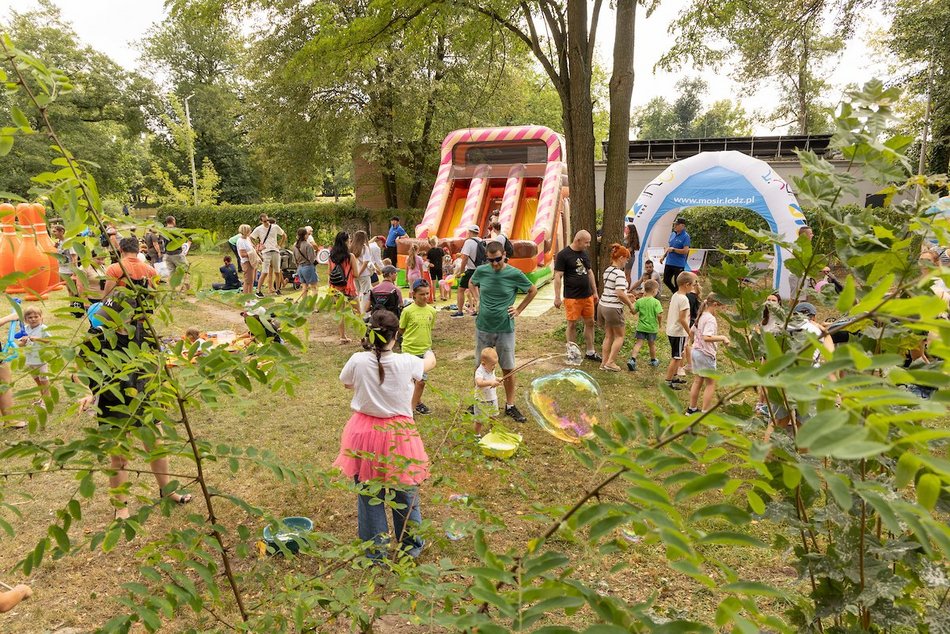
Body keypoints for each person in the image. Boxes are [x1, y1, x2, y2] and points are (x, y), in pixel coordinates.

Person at [76, 295, 192, 520]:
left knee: (156, 447)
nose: (108, 322)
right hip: (114, 403)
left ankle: (168, 492)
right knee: (119, 457)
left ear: (131, 316)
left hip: (144, 398)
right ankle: (121, 507)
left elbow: (156, 361)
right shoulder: (96, 339)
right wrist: (86, 392)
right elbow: (79, 372)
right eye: (106, 317)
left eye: (114, 317)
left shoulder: (144, 331)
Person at [333, 309, 436, 561]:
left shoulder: (358, 359)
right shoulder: (407, 361)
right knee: (406, 491)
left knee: (369, 494)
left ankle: (375, 551)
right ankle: (410, 546)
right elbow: (428, 364)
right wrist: (430, 351)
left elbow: (347, 382)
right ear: (395, 335)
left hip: (364, 432)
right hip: (399, 435)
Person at [470, 241, 538, 422]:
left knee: (508, 367)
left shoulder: (514, 273)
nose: (494, 264)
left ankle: (510, 405)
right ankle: (478, 401)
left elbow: (532, 290)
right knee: (480, 365)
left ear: (504, 256)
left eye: (498, 259)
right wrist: (477, 299)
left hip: (505, 328)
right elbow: (471, 283)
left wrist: (519, 310)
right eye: (490, 260)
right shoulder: (482, 271)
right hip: (483, 326)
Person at [553, 230, 601, 362]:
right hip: (572, 297)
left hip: (587, 296)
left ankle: (590, 351)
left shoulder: (584, 253)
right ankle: (572, 353)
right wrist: (557, 297)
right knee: (572, 324)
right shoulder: (564, 255)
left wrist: (595, 292)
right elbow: (558, 276)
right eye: (586, 242)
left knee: (590, 322)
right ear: (578, 240)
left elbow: (590, 273)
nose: (588, 245)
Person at [686, 294, 729, 414]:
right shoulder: (710, 318)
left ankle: (691, 409)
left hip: (695, 352)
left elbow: (691, 331)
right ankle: (705, 412)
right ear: (715, 305)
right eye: (721, 307)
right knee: (710, 383)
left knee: (697, 381)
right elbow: (706, 337)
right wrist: (723, 337)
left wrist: (693, 342)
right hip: (705, 354)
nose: (721, 310)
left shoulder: (701, 315)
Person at [399, 279, 437, 415]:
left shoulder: (432, 311)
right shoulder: (407, 311)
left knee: (421, 382)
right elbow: (402, 329)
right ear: (413, 294)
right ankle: (408, 403)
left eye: (427, 293)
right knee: (409, 381)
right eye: (422, 294)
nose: (425, 297)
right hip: (409, 350)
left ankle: (413, 407)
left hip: (424, 351)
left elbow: (429, 327)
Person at [597, 244, 636, 371]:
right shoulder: (619, 273)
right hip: (613, 308)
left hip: (603, 305)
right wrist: (630, 304)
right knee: (620, 336)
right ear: (621, 258)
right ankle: (611, 362)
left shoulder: (608, 270)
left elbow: (613, 290)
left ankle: (604, 363)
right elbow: (619, 293)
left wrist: (627, 294)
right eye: (626, 258)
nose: (627, 261)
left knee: (608, 336)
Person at [665, 271, 695, 390]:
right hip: (678, 332)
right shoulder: (684, 299)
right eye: (692, 285)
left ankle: (674, 376)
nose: (693, 288)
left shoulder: (675, 295)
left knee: (679, 354)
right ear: (686, 285)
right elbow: (682, 319)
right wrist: (690, 333)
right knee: (676, 357)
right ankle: (668, 380)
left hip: (672, 330)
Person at [329, 231, 360, 343]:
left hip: (336, 287)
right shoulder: (350, 256)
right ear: (346, 241)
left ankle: (342, 336)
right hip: (349, 288)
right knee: (357, 312)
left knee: (340, 312)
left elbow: (329, 272)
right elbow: (356, 274)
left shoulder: (331, 256)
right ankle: (362, 337)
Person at [626, 279, 663, 371]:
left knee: (638, 343)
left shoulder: (640, 301)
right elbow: (659, 314)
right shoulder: (656, 302)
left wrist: (632, 303)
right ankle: (653, 360)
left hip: (641, 327)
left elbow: (633, 312)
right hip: (652, 328)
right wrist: (660, 324)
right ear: (654, 291)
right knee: (651, 344)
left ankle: (632, 360)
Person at [250, 214, 287, 297]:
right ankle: (258, 291)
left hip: (275, 251)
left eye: (267, 220)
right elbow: (251, 237)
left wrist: (279, 245)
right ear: (261, 221)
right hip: (266, 252)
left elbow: (284, 235)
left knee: (277, 271)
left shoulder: (275, 227)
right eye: (264, 221)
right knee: (265, 272)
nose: (267, 222)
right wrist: (257, 246)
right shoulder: (258, 229)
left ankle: (278, 289)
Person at [19, 306, 51, 399]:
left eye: (36, 317)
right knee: (37, 380)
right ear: (25, 319)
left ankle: (47, 399)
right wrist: (23, 342)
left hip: (41, 359)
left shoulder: (43, 328)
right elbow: (19, 344)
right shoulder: (24, 329)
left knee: (44, 380)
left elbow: (49, 341)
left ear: (41, 317)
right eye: (30, 317)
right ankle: (42, 397)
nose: (33, 319)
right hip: (30, 359)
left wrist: (38, 339)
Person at [452, 225, 483, 318]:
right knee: (479, 291)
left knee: (461, 289)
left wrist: (461, 271)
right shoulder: (481, 241)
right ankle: (480, 311)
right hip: (481, 270)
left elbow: (464, 258)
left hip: (471, 270)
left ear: (469, 232)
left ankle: (460, 312)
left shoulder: (469, 242)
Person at [473, 347, 500, 436]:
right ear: (483, 364)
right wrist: (491, 382)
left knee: (494, 417)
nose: (494, 366)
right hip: (481, 400)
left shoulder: (491, 369)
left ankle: (492, 433)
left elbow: (492, 378)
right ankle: (476, 435)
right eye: (492, 364)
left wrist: (497, 379)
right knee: (479, 420)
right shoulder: (479, 371)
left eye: (495, 364)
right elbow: (479, 383)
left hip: (492, 398)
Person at [659, 217, 690, 294]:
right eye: (675, 224)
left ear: (682, 226)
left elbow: (685, 251)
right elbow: (669, 247)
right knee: (666, 280)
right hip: (669, 262)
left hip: (678, 264)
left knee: (678, 282)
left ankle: (679, 295)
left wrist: (674, 250)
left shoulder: (686, 236)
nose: (675, 226)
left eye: (677, 225)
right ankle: (675, 293)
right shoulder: (673, 234)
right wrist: (664, 256)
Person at [293, 227, 319, 301]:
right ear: (305, 235)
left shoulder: (295, 245)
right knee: (314, 287)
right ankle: (312, 306)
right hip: (308, 267)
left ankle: (304, 305)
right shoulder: (308, 245)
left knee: (304, 288)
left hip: (300, 268)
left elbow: (294, 259)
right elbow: (311, 259)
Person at [162, 216, 191, 285]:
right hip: (177, 254)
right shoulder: (177, 230)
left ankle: (173, 290)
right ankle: (186, 288)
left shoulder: (163, 231)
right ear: (173, 221)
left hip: (167, 254)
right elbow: (183, 239)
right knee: (185, 271)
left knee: (171, 273)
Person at [351, 231, 373, 313]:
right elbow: (366, 262)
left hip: (354, 273)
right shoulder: (364, 248)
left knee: (356, 294)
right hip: (363, 274)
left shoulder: (352, 248)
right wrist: (359, 273)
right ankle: (363, 312)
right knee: (365, 294)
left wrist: (356, 273)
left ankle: (356, 311)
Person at [236, 224, 259, 295]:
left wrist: (257, 250)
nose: (251, 231)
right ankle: (246, 299)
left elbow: (252, 249)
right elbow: (243, 255)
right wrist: (253, 253)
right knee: (247, 281)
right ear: (246, 231)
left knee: (251, 281)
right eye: (249, 230)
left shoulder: (247, 239)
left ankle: (250, 297)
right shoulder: (241, 241)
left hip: (251, 261)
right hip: (246, 262)